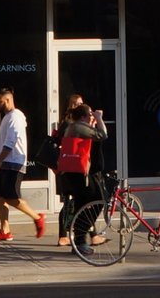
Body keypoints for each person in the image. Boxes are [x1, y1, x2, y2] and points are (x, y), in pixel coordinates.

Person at [0, 88, 46, 242]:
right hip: (4, 163)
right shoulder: (6, 117)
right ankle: (5, 230)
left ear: (7, 100)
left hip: (13, 162)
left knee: (11, 197)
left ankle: (37, 217)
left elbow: (10, 142)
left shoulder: (15, 117)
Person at [55, 101, 108, 250]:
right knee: (97, 200)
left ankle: (79, 242)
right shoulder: (78, 127)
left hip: (71, 173)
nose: (92, 116)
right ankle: (81, 234)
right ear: (84, 116)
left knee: (82, 205)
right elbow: (102, 135)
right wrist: (99, 118)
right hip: (77, 174)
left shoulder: (72, 127)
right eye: (90, 114)